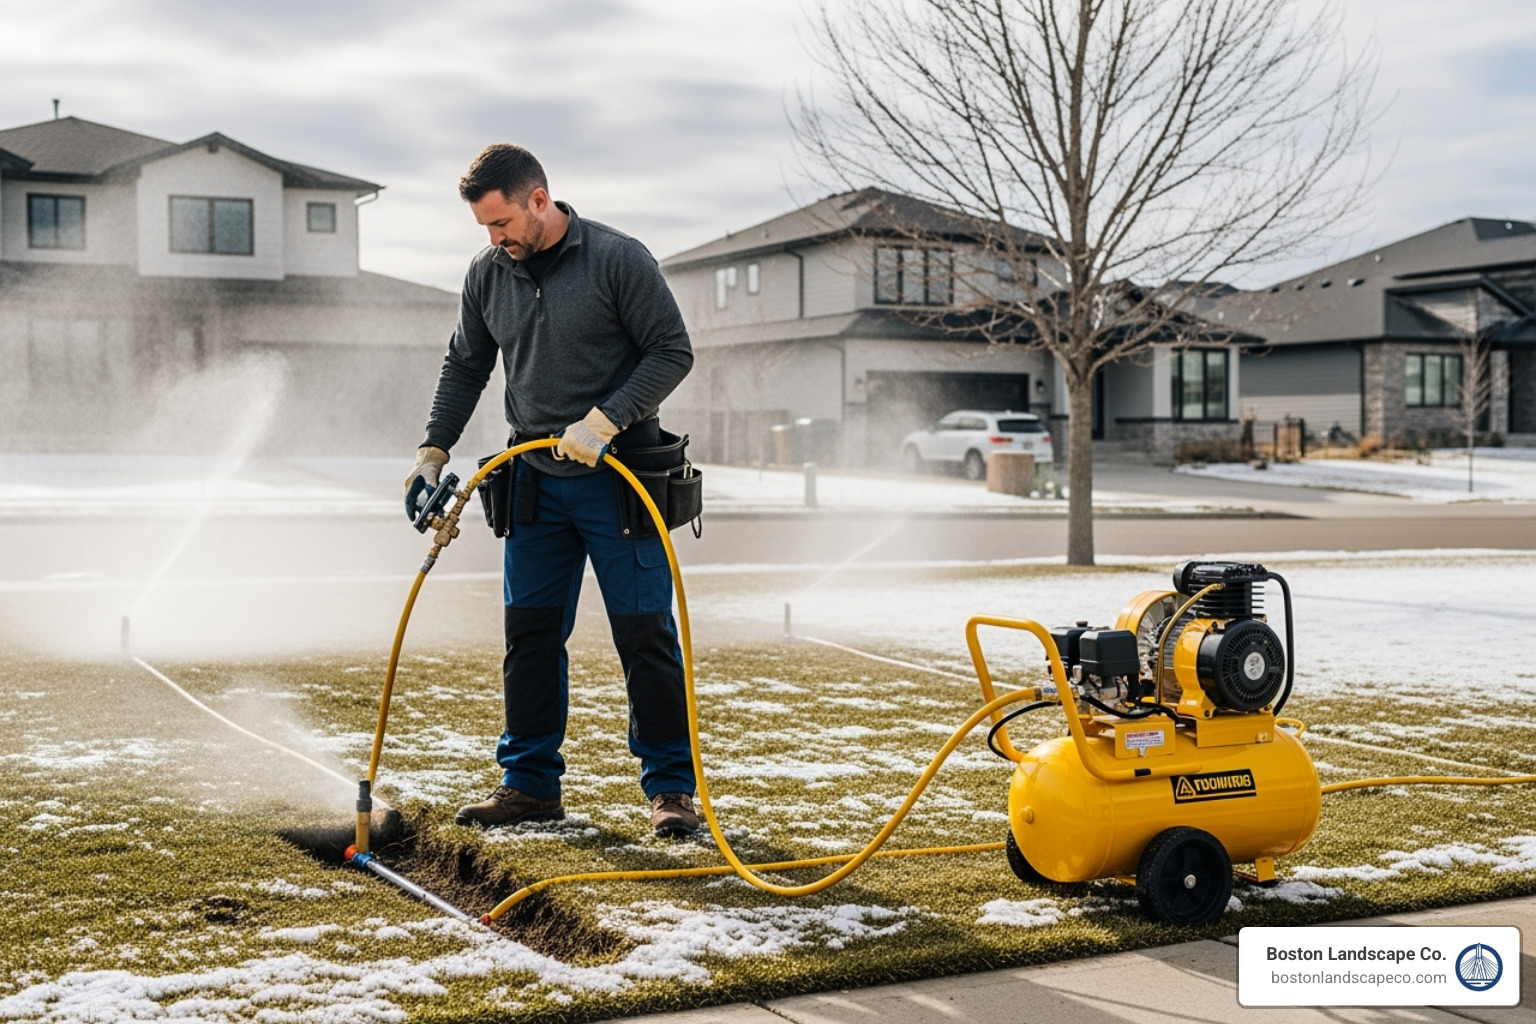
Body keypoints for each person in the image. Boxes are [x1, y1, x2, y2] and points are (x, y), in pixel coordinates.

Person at [403, 144, 699, 838]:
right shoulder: (487, 275)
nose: (494, 239)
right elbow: (465, 365)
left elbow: (672, 350)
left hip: (621, 481)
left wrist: (605, 419)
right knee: (529, 636)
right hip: (534, 480)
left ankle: (671, 792)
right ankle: (530, 784)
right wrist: (432, 449)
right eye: (484, 228)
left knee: (645, 636)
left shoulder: (618, 259)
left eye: (502, 222)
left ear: (540, 199)